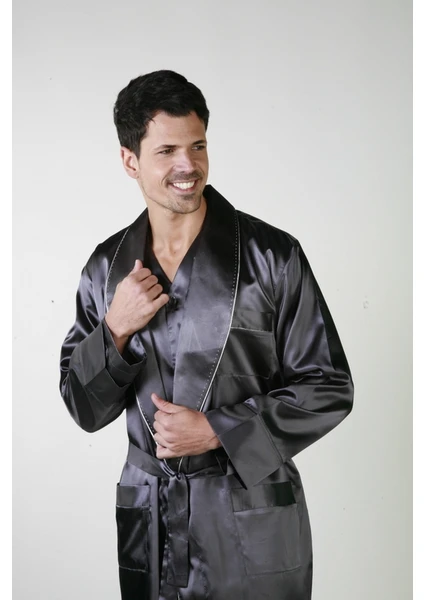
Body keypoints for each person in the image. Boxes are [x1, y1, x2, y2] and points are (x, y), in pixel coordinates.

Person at [59, 69, 354, 600]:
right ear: (130, 160)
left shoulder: (272, 257)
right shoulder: (106, 269)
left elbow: (329, 386)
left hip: (249, 519)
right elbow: (84, 409)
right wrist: (115, 329)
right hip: (152, 526)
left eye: (197, 146)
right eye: (167, 150)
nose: (188, 165)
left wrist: (220, 430)